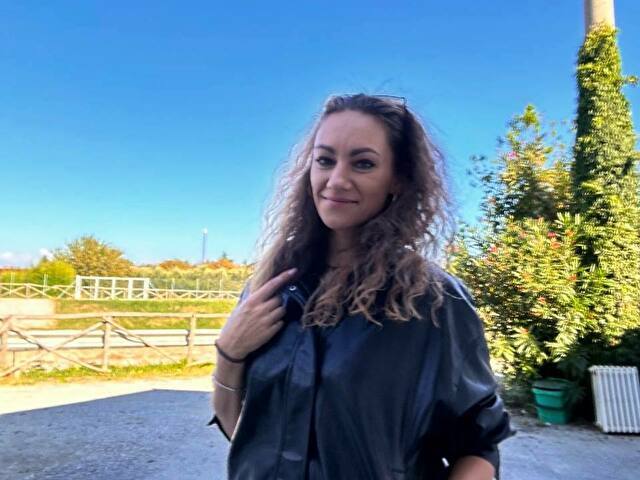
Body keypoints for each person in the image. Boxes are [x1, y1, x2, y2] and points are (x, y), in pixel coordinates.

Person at [209, 93, 515, 479]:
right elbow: (242, 435)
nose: (336, 180)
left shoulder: (432, 300)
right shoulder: (270, 287)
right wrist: (229, 353)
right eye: (325, 160)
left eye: (363, 163)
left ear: (398, 180)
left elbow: (477, 446)